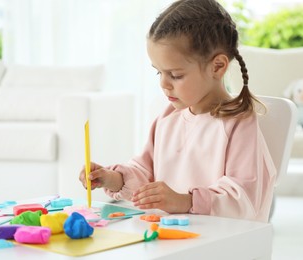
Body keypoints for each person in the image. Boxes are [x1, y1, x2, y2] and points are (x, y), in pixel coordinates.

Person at [79, 0, 276, 222]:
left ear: (217, 67)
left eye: (176, 75)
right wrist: (113, 179)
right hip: (172, 239)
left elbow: (244, 199)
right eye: (158, 73)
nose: (164, 84)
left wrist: (185, 201)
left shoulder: (238, 122)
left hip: (221, 244)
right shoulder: (167, 119)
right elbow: (145, 174)